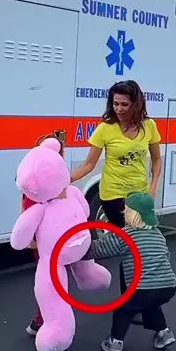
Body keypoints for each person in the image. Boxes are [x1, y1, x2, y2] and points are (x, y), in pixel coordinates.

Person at [70, 80, 162, 305]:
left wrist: (152, 188)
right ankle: (130, 299)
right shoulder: (105, 128)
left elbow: (156, 159)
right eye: (115, 103)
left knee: (139, 247)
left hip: (139, 197)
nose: (119, 109)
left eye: (124, 104)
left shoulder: (149, 126)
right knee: (131, 245)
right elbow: (89, 164)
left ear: (136, 104)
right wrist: (65, 180)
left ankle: (135, 296)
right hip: (113, 196)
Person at [84, 191, 176, 351]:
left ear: (135, 215)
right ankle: (164, 333)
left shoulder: (125, 234)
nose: (122, 212)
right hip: (169, 286)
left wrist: (78, 251)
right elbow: (166, 255)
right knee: (151, 306)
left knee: (123, 310)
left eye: (126, 210)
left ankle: (115, 342)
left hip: (142, 287)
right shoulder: (157, 234)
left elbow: (99, 249)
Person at [24, 131, 65, 337]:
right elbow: (26, 207)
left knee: (49, 283)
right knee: (48, 282)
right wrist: (30, 237)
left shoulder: (56, 181)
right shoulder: (34, 179)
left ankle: (46, 322)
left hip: (51, 241)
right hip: (43, 241)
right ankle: (45, 320)